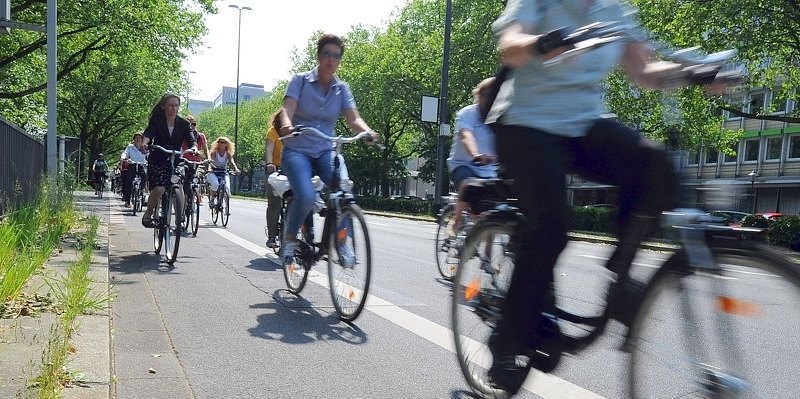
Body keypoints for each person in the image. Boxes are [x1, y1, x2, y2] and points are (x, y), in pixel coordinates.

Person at [484, 0, 731, 394]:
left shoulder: (613, 9)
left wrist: (694, 72)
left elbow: (645, 73)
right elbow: (510, 46)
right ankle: (508, 340)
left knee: (657, 167)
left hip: (581, 123)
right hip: (525, 123)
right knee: (550, 227)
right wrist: (543, 42)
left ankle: (620, 280)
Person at [276, 33, 379, 268]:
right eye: (326, 54)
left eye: (336, 56)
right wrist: (286, 124)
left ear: (340, 60)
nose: (330, 60)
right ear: (318, 55)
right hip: (298, 148)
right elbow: (287, 108)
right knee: (306, 195)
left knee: (344, 192)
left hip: (324, 149)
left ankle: (344, 245)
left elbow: (354, 118)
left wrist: (367, 132)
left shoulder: (341, 88)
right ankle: (290, 239)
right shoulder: (300, 80)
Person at [446, 77, 499, 237]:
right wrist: (475, 154)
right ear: (480, 96)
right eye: (490, 95)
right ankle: (456, 222)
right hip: (464, 164)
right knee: (468, 184)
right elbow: (466, 135)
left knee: (494, 211)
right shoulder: (467, 114)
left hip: (490, 169)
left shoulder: (500, 116)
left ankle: (487, 257)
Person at [141, 93, 197, 227]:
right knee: (160, 188)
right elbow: (149, 133)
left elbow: (191, 139)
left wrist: (194, 148)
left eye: (176, 105)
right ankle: (148, 214)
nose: (174, 108)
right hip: (158, 158)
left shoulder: (183, 124)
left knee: (179, 186)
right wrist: (145, 142)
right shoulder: (157, 121)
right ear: (164, 106)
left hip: (176, 159)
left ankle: (180, 216)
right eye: (171, 105)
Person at [264, 109, 285, 248]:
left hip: (290, 169)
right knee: (274, 203)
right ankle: (272, 236)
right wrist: (270, 163)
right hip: (274, 169)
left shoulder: (294, 131)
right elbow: (269, 150)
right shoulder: (272, 132)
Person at [181, 115, 210, 205]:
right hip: (184, 162)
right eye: (189, 124)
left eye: (193, 124)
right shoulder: (181, 135)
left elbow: (206, 150)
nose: (191, 126)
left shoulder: (200, 136)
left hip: (197, 163)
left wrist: (209, 162)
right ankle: (183, 203)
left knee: (196, 178)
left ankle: (197, 195)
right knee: (184, 182)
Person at [206, 136, 240, 208]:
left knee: (227, 188)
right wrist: (209, 168)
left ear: (226, 144)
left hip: (223, 173)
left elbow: (232, 162)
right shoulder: (214, 152)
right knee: (215, 184)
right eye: (219, 142)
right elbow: (210, 162)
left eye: (222, 142)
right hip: (213, 172)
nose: (220, 144)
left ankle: (226, 207)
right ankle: (212, 199)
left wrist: (236, 169)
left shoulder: (228, 154)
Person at [120, 132, 148, 207]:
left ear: (142, 140)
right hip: (132, 165)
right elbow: (125, 153)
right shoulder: (130, 147)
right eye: (136, 138)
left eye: (139, 138)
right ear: (134, 139)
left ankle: (142, 191)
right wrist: (123, 158)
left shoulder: (144, 147)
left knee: (144, 176)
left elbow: (148, 154)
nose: (138, 139)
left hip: (141, 165)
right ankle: (127, 201)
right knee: (129, 182)